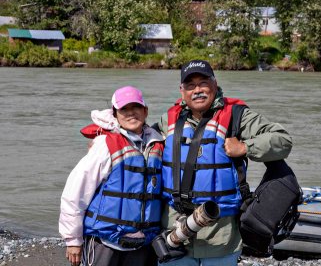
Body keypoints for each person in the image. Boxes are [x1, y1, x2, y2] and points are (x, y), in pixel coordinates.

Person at [156, 60, 293, 265]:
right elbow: (136, 138)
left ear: (215, 83)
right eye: (190, 85)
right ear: (182, 91)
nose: (198, 90)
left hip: (222, 238)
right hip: (174, 235)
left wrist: (246, 147)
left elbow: (283, 140)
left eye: (203, 83)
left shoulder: (238, 117)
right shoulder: (169, 120)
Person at [59, 86, 163, 266]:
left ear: (145, 111)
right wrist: (73, 240)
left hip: (143, 243)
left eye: (136, 107)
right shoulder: (105, 144)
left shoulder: (158, 143)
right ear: (115, 114)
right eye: (124, 109)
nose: (131, 113)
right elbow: (76, 192)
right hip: (105, 241)